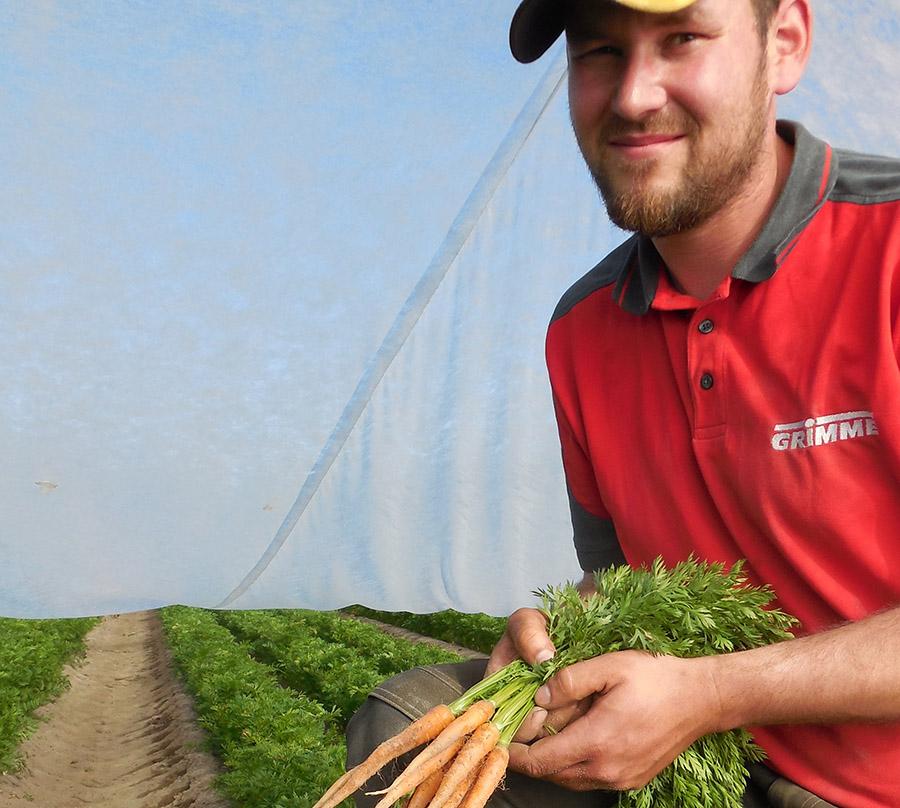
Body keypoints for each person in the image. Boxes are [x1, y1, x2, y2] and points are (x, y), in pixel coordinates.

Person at [345, 1, 900, 806]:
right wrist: (556, 633)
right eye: (601, 51)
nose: (634, 96)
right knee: (403, 732)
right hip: (705, 755)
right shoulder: (583, 328)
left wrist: (714, 693)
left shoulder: (887, 249)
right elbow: (621, 576)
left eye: (682, 40)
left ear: (783, 44)